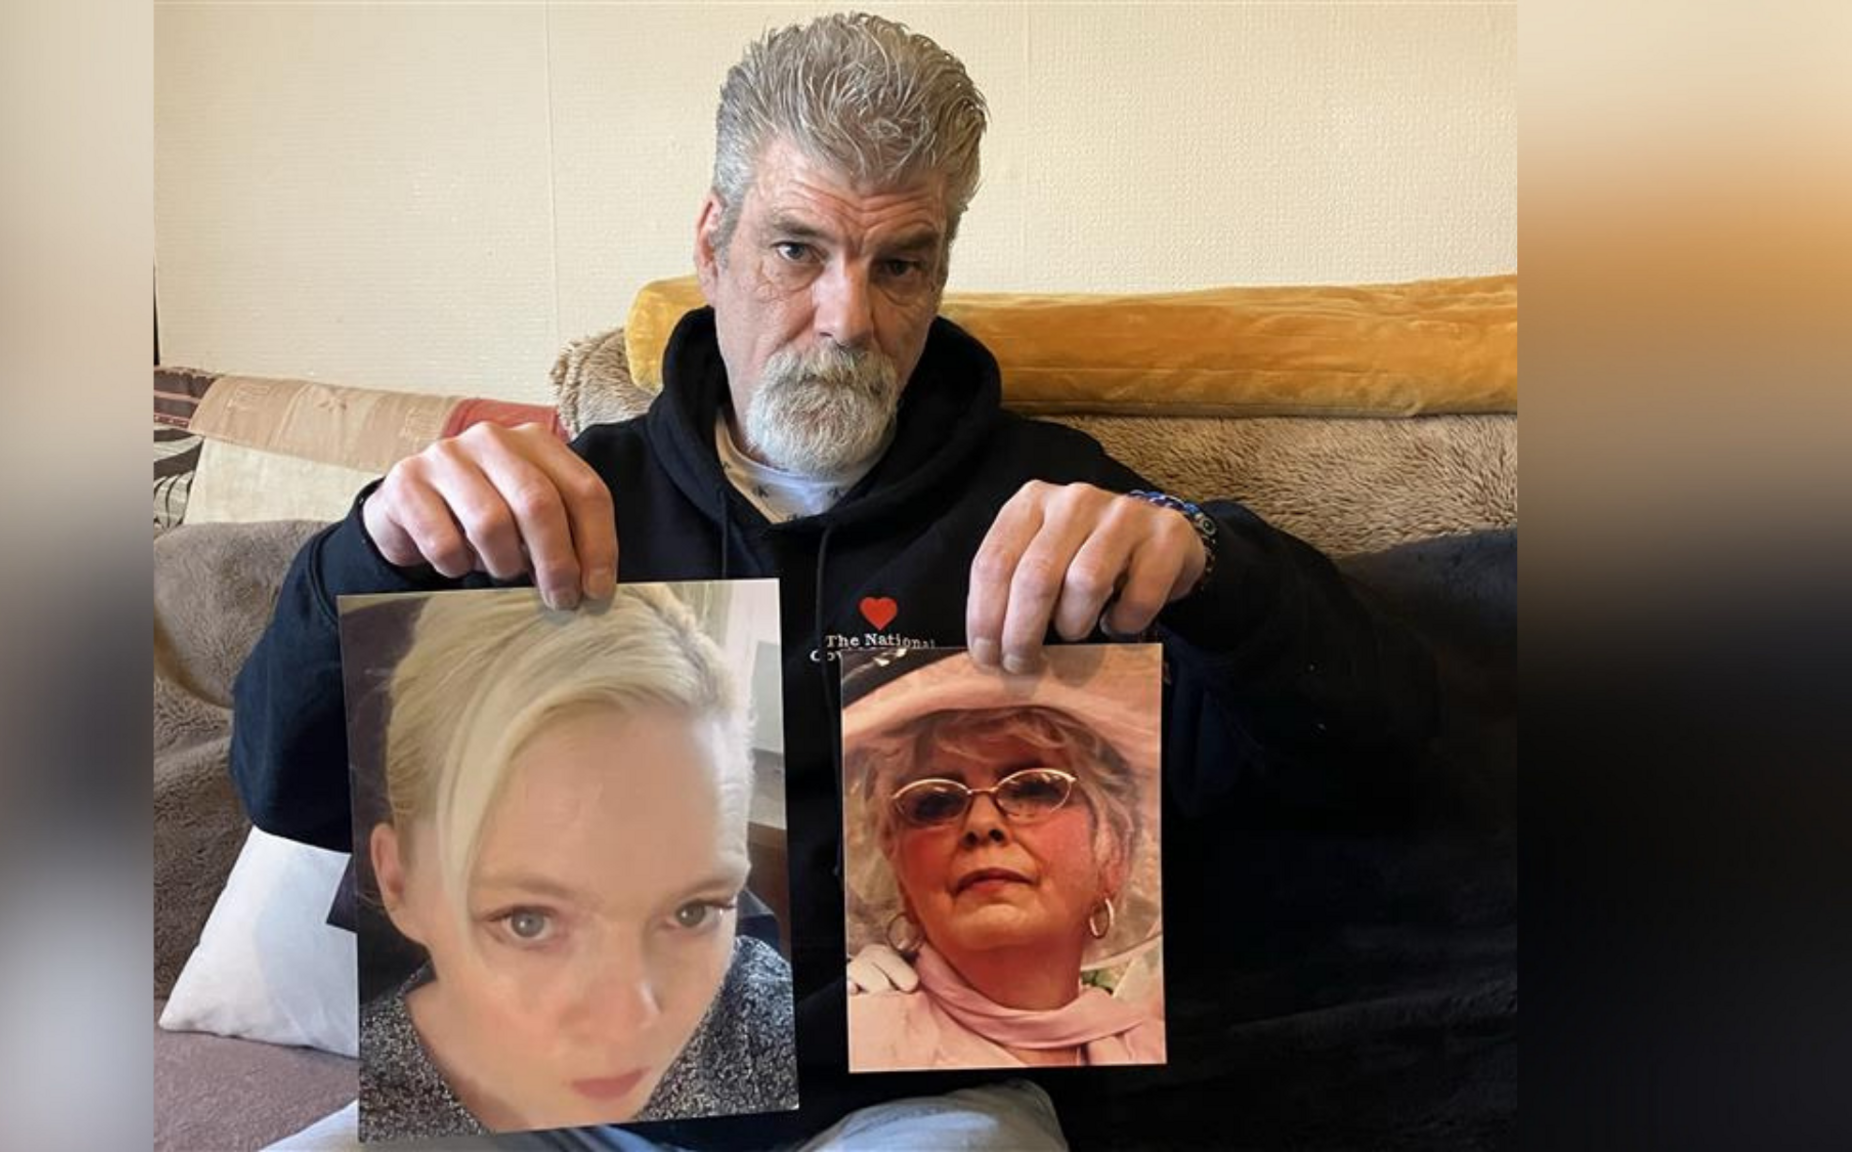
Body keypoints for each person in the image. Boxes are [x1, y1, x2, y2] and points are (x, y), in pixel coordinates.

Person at [232, 12, 1437, 1148]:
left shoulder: (1056, 509)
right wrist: (370, 544)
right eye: (795, 251)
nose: (845, 317)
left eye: (899, 264)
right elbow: (284, 790)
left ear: (941, 267)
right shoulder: (548, 507)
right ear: (711, 243)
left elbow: (1382, 761)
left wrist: (1215, 568)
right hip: (551, 1103)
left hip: (917, 1101)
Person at [352, 586, 797, 1138]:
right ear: (398, 882)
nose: (626, 1023)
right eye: (528, 921)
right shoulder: (361, 1102)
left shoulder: (754, 1018)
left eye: (692, 912)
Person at [838, 646, 1166, 1072]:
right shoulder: (863, 1040)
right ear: (901, 876)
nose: (981, 822)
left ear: (1112, 855)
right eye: (934, 801)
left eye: (1033, 789)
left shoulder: (1154, 1046)